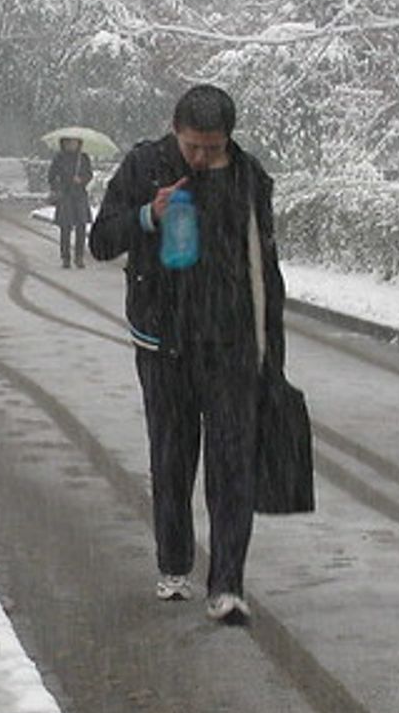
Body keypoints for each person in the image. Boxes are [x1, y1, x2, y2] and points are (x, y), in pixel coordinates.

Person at [88, 83, 286, 624]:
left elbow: (263, 268)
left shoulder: (248, 178)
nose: (200, 158)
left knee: (232, 466)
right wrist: (147, 217)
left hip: (230, 346)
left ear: (228, 140)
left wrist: (272, 354)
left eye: (212, 147)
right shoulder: (144, 166)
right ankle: (174, 564)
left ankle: (227, 583)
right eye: (193, 146)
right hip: (164, 343)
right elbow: (100, 240)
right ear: (175, 130)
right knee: (172, 458)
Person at [47, 136, 94, 269]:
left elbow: (89, 174)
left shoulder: (83, 158)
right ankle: (65, 257)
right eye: (68, 142)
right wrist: (59, 186)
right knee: (65, 227)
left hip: (80, 196)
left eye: (74, 142)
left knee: (81, 227)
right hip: (65, 196)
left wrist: (82, 180)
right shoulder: (59, 158)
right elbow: (51, 176)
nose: (71, 145)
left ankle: (79, 256)